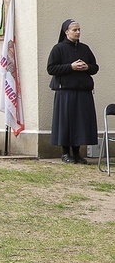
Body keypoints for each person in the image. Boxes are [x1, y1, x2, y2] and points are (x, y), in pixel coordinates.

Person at [47, 19, 99, 164]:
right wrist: (71, 67)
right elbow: (51, 69)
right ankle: (65, 153)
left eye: (79, 30)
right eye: (74, 30)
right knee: (66, 123)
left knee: (79, 124)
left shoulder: (85, 48)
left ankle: (77, 154)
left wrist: (86, 67)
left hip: (83, 92)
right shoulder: (58, 49)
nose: (78, 32)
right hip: (66, 92)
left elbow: (95, 67)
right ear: (66, 32)